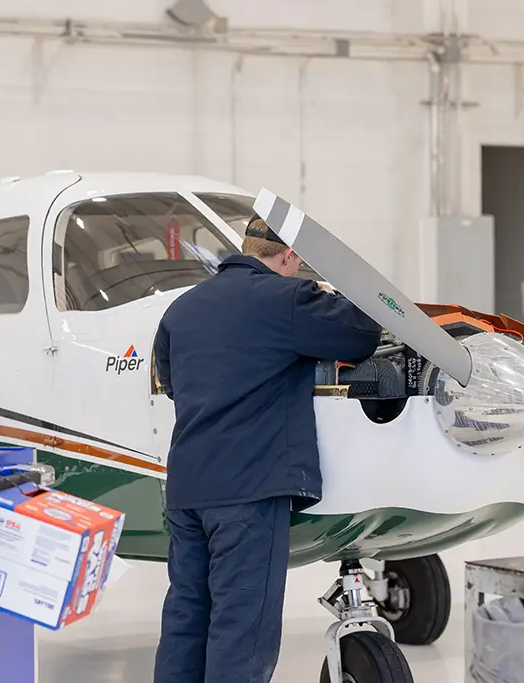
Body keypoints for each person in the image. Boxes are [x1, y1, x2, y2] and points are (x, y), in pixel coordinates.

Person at [151, 215, 383, 683]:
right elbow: (363, 334)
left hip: (188, 488)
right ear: (292, 257)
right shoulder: (288, 299)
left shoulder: (182, 309)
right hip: (249, 491)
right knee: (243, 629)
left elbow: (172, 383)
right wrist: (330, 292)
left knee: (186, 619)